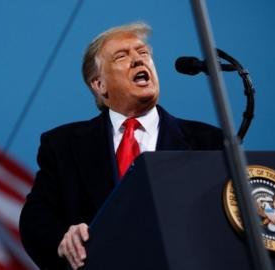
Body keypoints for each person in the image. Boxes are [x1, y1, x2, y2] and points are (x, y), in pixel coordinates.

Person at [19, 22, 223, 270]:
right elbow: (35, 220)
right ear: (99, 85)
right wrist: (64, 239)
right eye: (122, 56)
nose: (139, 61)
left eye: (144, 53)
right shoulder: (62, 145)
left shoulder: (209, 141)